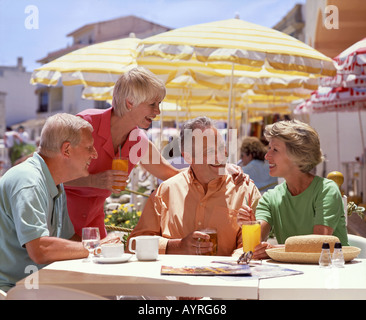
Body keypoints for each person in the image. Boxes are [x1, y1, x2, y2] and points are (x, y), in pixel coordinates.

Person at [65, 67, 245, 239]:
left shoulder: (138, 141)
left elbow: (171, 174)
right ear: (130, 103)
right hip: (59, 222)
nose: (157, 111)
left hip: (92, 228)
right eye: (152, 104)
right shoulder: (84, 125)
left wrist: (221, 168)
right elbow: (47, 173)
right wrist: (94, 180)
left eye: (159, 104)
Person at [127, 116, 261, 256]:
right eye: (209, 152)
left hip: (224, 276)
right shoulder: (166, 191)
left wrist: (231, 263)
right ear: (188, 157)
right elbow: (134, 244)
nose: (220, 157)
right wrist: (176, 246)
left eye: (221, 148)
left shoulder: (244, 189)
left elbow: (251, 248)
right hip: (172, 277)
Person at [0, 113, 102, 292]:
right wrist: (96, 247)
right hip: (14, 291)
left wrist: (112, 249)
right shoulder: (29, 181)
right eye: (89, 147)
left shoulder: (53, 181)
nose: (94, 154)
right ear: (67, 150)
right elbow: (40, 250)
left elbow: (68, 239)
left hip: (36, 286)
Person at [238, 119, 349, 259]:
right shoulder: (270, 197)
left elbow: (320, 243)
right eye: (269, 148)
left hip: (333, 273)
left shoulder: (326, 190)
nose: (267, 156)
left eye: (275, 150)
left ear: (298, 155)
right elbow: (256, 242)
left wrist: (275, 249)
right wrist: (250, 223)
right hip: (293, 273)